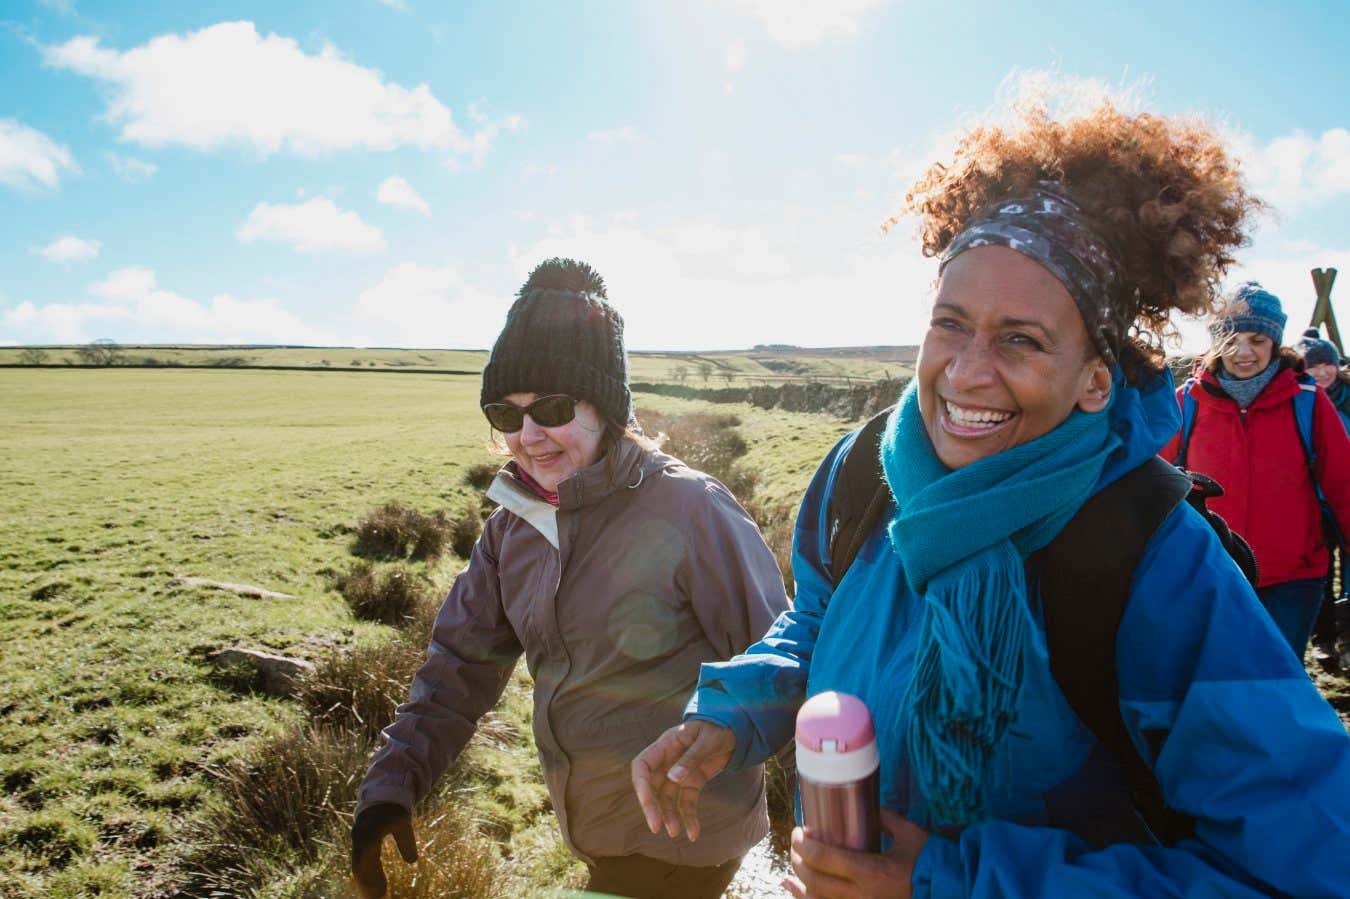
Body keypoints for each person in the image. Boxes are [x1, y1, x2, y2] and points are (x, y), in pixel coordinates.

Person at [632, 104, 1350, 898]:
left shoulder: (1153, 558)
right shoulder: (861, 473)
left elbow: (1303, 869)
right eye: (950, 324)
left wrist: (951, 882)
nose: (968, 371)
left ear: (1095, 381)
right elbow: (820, 619)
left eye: (1021, 339)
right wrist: (732, 712)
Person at [351, 258, 789, 899]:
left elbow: (785, 663)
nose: (529, 435)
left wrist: (824, 827)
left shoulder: (692, 509)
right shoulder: (513, 527)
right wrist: (390, 786)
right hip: (598, 834)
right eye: (506, 413)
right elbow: (457, 667)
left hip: (686, 841)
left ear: (605, 407)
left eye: (552, 407)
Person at [1163, 289, 1350, 658]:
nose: (1243, 352)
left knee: (1277, 682)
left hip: (1293, 579)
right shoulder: (1187, 402)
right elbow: (1155, 484)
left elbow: (1344, 485)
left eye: (1257, 340)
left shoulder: (1308, 402)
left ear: (1275, 342)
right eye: (1230, 340)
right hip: (1209, 573)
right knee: (1218, 683)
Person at [1296, 326, 1350, 664]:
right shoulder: (1300, 401)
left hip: (1345, 496)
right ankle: (1324, 636)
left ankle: (1347, 635)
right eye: (1312, 366)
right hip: (1312, 501)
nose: (1321, 372)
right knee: (1319, 574)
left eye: (1326, 364)